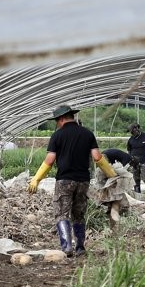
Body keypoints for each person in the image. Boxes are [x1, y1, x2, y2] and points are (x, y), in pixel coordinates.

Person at [27, 104, 118, 256]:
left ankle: (67, 246)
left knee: (62, 213)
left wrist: (36, 179)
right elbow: (97, 157)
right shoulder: (87, 134)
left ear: (62, 119)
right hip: (83, 181)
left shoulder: (57, 135)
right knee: (79, 214)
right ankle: (80, 247)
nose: (57, 123)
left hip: (64, 180)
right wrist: (111, 174)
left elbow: (49, 161)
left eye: (57, 120)